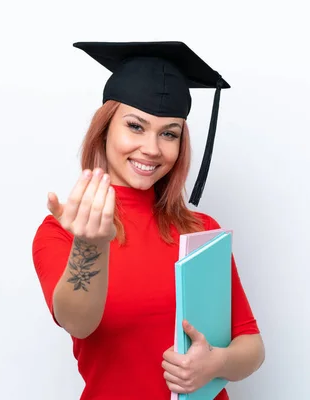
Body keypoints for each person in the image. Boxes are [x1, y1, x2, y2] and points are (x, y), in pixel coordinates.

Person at [32, 41, 265, 400]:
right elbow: (78, 323)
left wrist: (214, 364)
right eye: (136, 126)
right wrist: (90, 244)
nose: (153, 148)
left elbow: (251, 345)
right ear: (105, 128)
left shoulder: (200, 229)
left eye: (169, 133)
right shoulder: (64, 231)